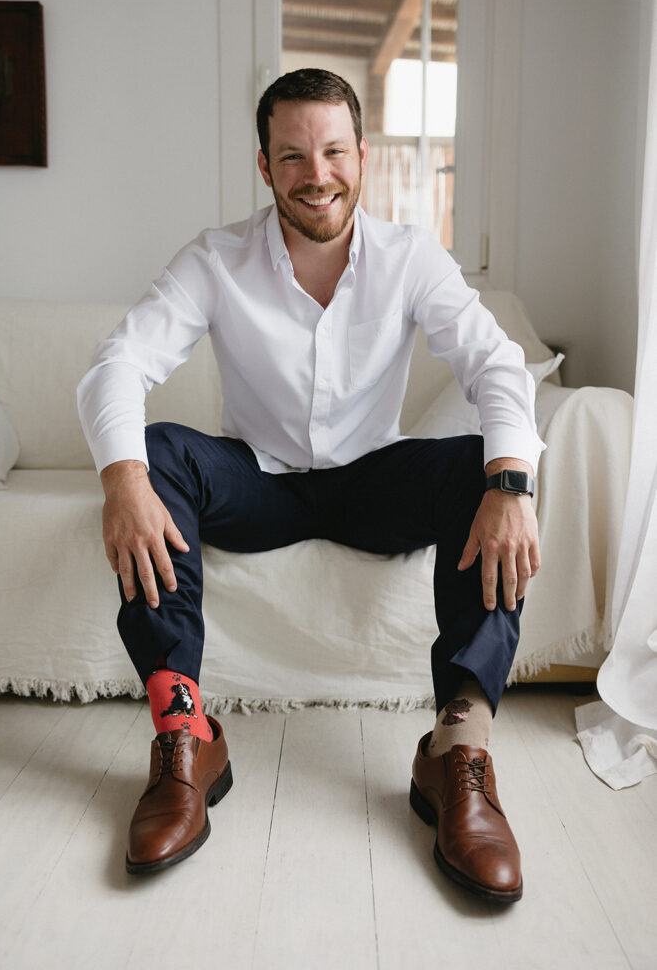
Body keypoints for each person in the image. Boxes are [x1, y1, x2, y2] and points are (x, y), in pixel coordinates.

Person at [77, 68, 542, 903]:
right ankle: (185, 736)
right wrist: (121, 477)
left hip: (373, 478)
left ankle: (457, 753)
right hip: (259, 481)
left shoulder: (411, 259)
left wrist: (509, 483)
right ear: (263, 166)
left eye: (332, 150)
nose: (315, 173)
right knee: (154, 452)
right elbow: (119, 365)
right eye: (292, 155)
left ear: (362, 156)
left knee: (484, 465)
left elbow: (495, 363)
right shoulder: (215, 259)